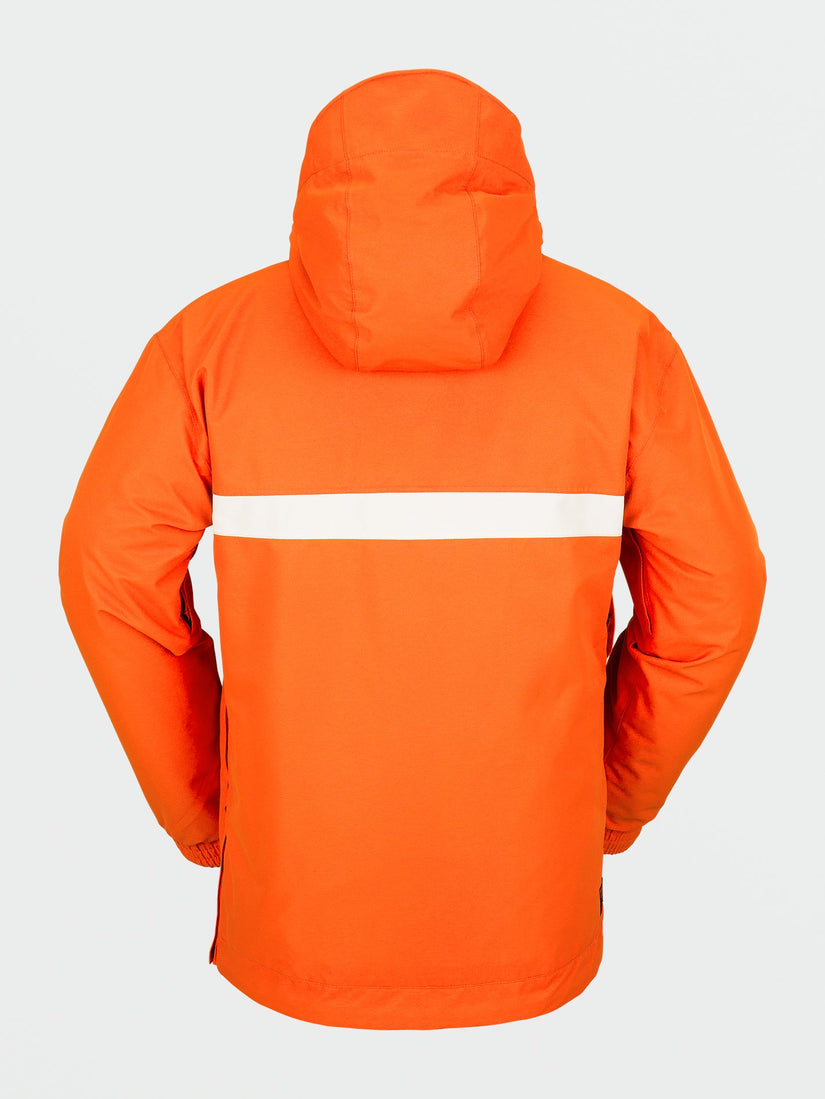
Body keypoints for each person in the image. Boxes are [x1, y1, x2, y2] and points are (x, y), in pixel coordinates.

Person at [58, 67, 767, 1030]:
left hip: (293, 916)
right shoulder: (622, 345)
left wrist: (206, 805)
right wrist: (611, 801)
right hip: (532, 914)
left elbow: (108, 577)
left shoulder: (207, 346)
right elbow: (714, 595)